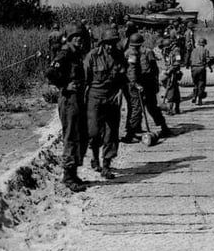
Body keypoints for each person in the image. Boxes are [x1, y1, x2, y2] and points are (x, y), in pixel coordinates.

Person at [46, 22, 89, 192]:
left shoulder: (77, 54)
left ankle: (73, 171)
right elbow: (50, 73)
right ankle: (68, 176)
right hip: (69, 100)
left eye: (81, 37)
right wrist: (64, 85)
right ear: (70, 38)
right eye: (76, 37)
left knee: (82, 134)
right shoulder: (65, 54)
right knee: (71, 136)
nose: (79, 40)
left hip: (78, 99)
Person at [83, 28, 126, 179]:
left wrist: (121, 91)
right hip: (95, 98)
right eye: (108, 44)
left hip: (112, 97)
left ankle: (106, 165)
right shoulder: (92, 56)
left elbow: (123, 77)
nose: (110, 47)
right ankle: (95, 156)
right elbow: (84, 80)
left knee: (111, 132)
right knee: (94, 132)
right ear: (102, 43)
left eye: (113, 43)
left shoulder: (119, 56)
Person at [138, 35, 172, 136]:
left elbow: (154, 69)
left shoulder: (148, 52)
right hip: (136, 84)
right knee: (136, 108)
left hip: (148, 83)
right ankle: (135, 130)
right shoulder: (129, 53)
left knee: (151, 107)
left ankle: (163, 126)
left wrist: (155, 82)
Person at [121, 33, 146, 143]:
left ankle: (135, 129)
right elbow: (132, 70)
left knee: (133, 106)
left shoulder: (128, 51)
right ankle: (130, 133)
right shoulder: (133, 53)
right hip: (131, 84)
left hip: (127, 83)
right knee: (136, 107)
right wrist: (135, 83)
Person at [160, 39, 183, 115]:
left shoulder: (176, 51)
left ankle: (170, 109)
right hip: (169, 72)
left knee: (170, 89)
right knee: (175, 91)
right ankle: (176, 108)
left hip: (174, 73)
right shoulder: (167, 51)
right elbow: (167, 61)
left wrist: (171, 69)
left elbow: (178, 61)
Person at [189, 37, 212, 105]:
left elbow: (190, 60)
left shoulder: (193, 50)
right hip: (201, 68)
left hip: (193, 68)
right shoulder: (205, 50)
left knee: (195, 84)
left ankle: (194, 96)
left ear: (198, 43)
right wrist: (210, 68)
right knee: (201, 84)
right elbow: (208, 60)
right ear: (204, 44)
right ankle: (200, 100)